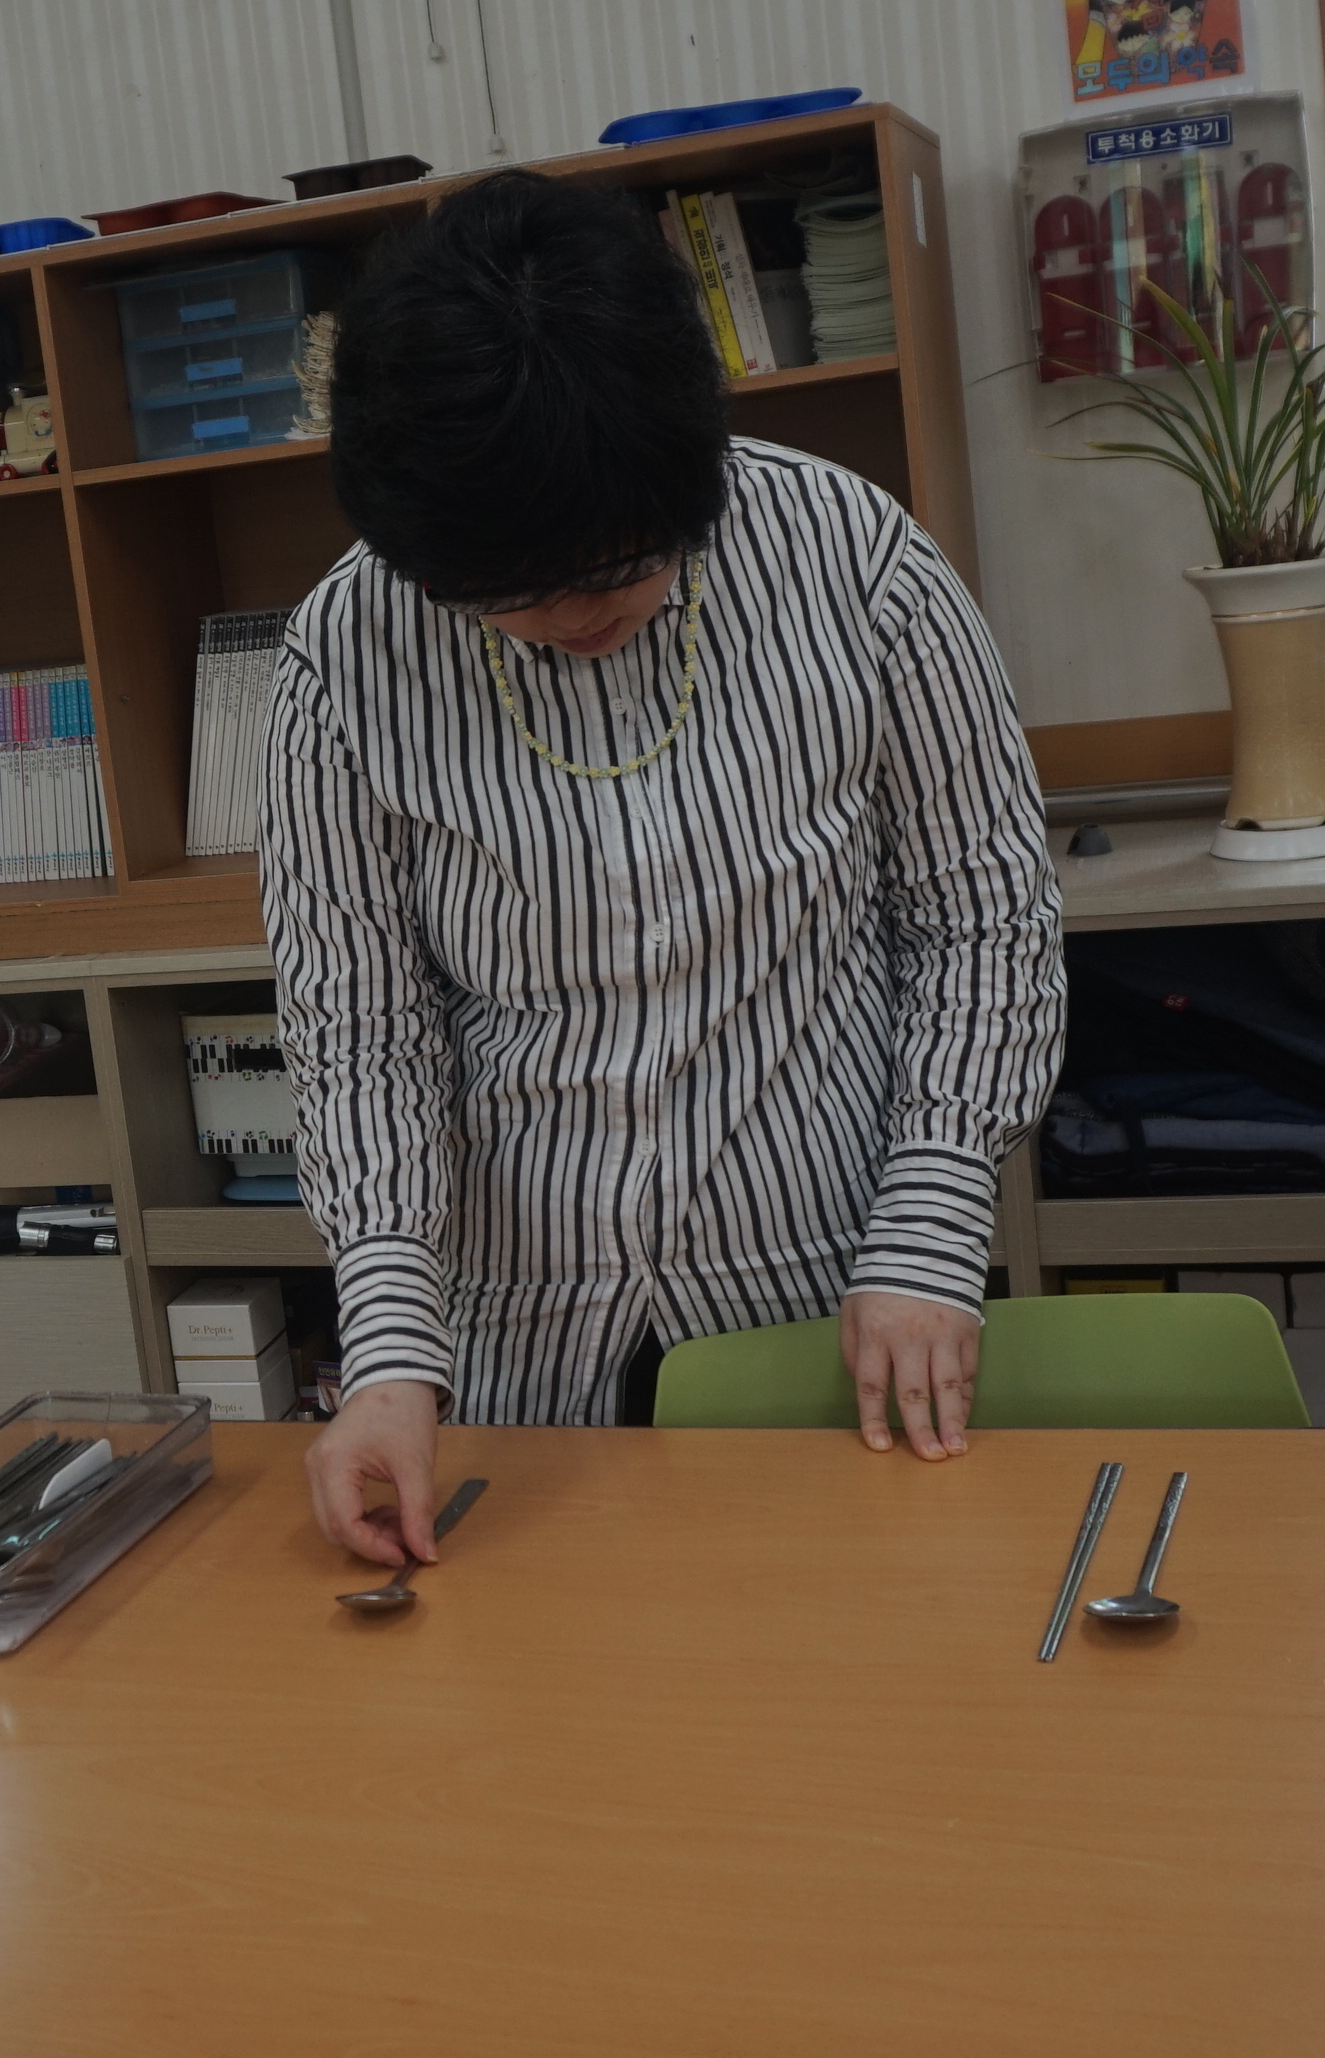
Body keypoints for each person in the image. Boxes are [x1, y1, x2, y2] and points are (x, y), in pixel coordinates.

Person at [261, 173, 1066, 1570]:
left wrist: (932, 1217)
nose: (572, 615)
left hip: (838, 1303)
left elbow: (983, 917)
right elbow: (362, 1031)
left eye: (616, 568)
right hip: (514, 1349)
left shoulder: (855, 565)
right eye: (509, 595)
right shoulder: (343, 660)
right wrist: (387, 1343)